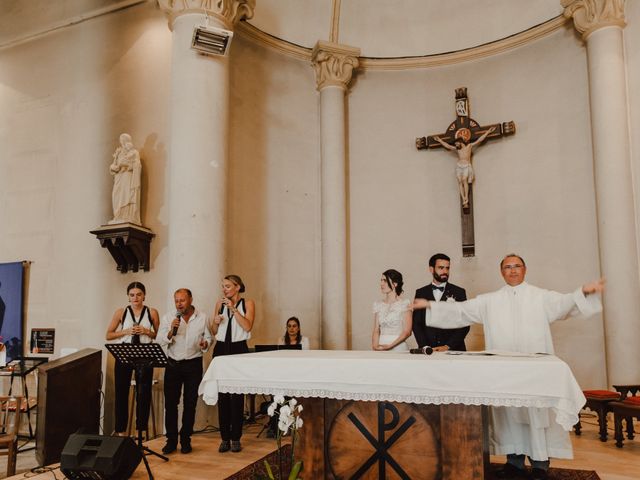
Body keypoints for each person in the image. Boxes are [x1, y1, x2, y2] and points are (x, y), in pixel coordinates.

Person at [413, 254, 604, 480]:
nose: (512, 270)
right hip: (506, 370)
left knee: (536, 415)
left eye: (517, 266)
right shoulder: (490, 300)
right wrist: (430, 306)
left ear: (525, 269)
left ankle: (540, 464)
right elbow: (462, 311)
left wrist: (583, 292)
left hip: (534, 370)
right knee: (509, 415)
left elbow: (564, 304)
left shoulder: (540, 296)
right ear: (501, 272)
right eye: (507, 267)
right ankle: (514, 462)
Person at [157, 288, 211, 455]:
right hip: (173, 364)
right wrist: (171, 331)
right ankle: (171, 440)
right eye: (176, 301)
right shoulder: (168, 317)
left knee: (190, 404)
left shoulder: (202, 317)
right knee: (171, 404)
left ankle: (186, 439)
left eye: (182, 300)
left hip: (193, 364)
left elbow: (208, 338)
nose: (179, 304)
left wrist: (205, 344)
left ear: (191, 300)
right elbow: (160, 340)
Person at [105, 281, 160, 437]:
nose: (135, 298)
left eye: (139, 294)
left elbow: (160, 336)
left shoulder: (152, 312)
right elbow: (108, 335)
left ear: (144, 296)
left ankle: (140, 432)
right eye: (132, 295)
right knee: (121, 393)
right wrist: (126, 331)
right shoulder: (121, 312)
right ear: (128, 297)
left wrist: (147, 331)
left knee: (143, 393)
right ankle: (121, 432)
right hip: (125, 353)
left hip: (145, 355)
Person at [209, 275, 256, 453]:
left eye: (228, 286)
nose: (224, 289)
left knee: (237, 395)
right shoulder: (219, 304)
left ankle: (236, 437)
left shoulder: (247, 303)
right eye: (223, 286)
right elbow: (214, 332)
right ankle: (224, 438)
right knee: (222, 396)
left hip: (238, 348)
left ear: (237, 287)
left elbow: (247, 326)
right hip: (221, 348)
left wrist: (234, 309)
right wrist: (215, 323)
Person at [412, 253, 468, 351]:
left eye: (447, 268)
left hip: (454, 350)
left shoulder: (459, 292)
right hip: (429, 351)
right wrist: (425, 347)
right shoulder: (421, 292)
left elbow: (464, 324)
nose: (445, 271)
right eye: (441, 268)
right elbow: (416, 323)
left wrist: (448, 346)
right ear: (431, 269)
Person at [433, 126, 495, 207]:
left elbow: (479, 140)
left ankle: (466, 198)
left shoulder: (469, 146)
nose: (456, 145)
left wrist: (488, 132)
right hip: (459, 166)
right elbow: (448, 146)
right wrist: (440, 140)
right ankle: (463, 199)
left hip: (466, 165)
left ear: (460, 142)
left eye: (456, 143)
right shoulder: (457, 149)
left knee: (464, 180)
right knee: (460, 181)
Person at [372, 269, 412, 352]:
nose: (381, 284)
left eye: (385, 281)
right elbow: (376, 329)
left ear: (395, 284)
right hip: (380, 347)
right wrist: (375, 346)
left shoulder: (405, 303)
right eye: (381, 280)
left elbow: (407, 332)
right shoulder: (378, 304)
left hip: (398, 347)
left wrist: (389, 346)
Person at [109, 133, 141, 225]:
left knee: (126, 194)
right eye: (121, 140)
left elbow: (137, 165)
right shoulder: (118, 152)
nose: (122, 142)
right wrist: (113, 167)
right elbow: (114, 165)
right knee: (116, 195)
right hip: (119, 177)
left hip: (127, 176)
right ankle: (117, 215)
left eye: (124, 140)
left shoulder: (134, 152)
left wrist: (127, 165)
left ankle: (126, 215)